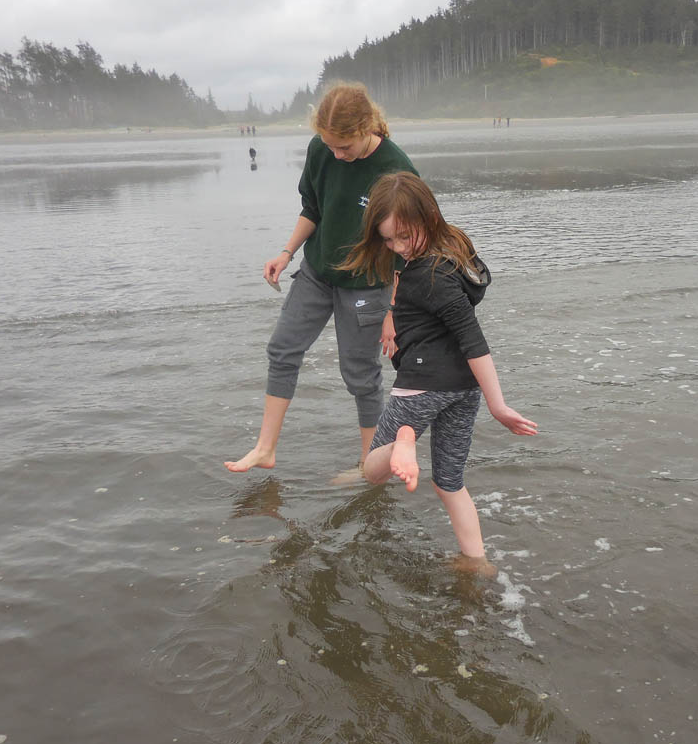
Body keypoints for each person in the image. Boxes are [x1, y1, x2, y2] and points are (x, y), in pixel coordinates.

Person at [339, 172, 537, 563]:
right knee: (449, 484)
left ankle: (404, 441)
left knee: (373, 472)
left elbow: (473, 339)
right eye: (388, 239)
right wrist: (395, 312)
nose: (397, 247)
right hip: (464, 390)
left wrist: (500, 406)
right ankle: (477, 563)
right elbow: (426, 299)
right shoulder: (455, 251)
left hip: (420, 388)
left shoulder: (427, 278)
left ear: (427, 218)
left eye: (403, 236)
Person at [224, 83, 417, 474]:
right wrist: (286, 252)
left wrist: (392, 312)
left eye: (344, 147)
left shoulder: (395, 170)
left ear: (367, 129)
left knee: (360, 376)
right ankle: (265, 448)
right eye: (330, 145)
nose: (337, 154)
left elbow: (409, 248)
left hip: (367, 284)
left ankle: (369, 465)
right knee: (282, 350)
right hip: (317, 272)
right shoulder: (321, 150)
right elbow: (313, 208)